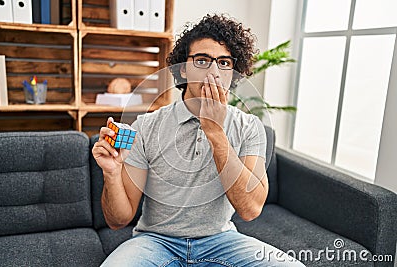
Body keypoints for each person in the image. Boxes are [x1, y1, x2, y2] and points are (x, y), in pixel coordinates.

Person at [92, 14, 305, 267]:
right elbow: (118, 220)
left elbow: (250, 209)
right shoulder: (147, 126)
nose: (213, 72)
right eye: (202, 60)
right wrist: (112, 173)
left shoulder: (249, 127)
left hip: (221, 241)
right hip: (156, 241)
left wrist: (215, 132)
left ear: (233, 73)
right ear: (183, 68)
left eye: (224, 62)